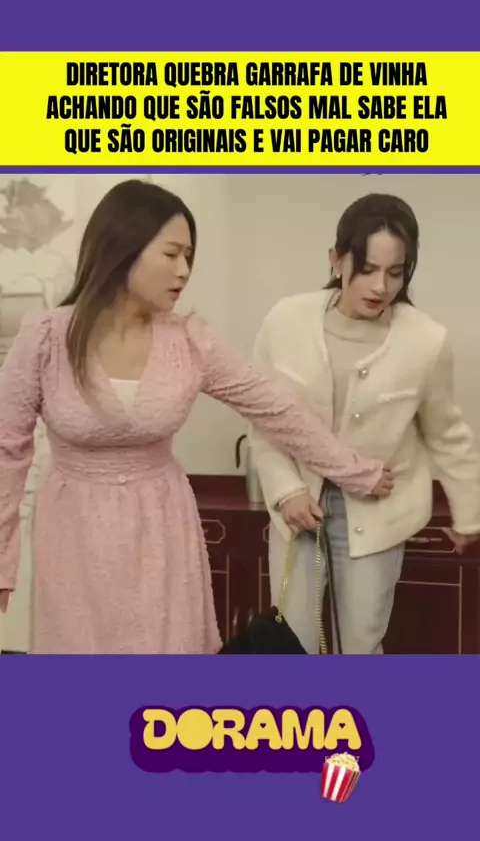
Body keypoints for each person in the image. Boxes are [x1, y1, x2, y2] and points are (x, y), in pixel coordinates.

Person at [0, 180, 392, 655]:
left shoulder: (189, 341)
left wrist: (354, 470)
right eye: (172, 254)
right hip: (73, 532)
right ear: (123, 246)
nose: (184, 270)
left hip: (161, 526)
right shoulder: (46, 337)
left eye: (189, 256)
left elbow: (276, 408)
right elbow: (7, 450)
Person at [250, 192, 480, 655]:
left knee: (360, 645)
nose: (381, 286)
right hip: (298, 509)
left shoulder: (426, 341)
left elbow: (447, 434)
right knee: (291, 645)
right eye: (369, 269)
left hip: (378, 513)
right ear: (337, 259)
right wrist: (286, 491)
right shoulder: (285, 321)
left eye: (396, 272)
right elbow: (263, 417)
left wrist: (470, 513)